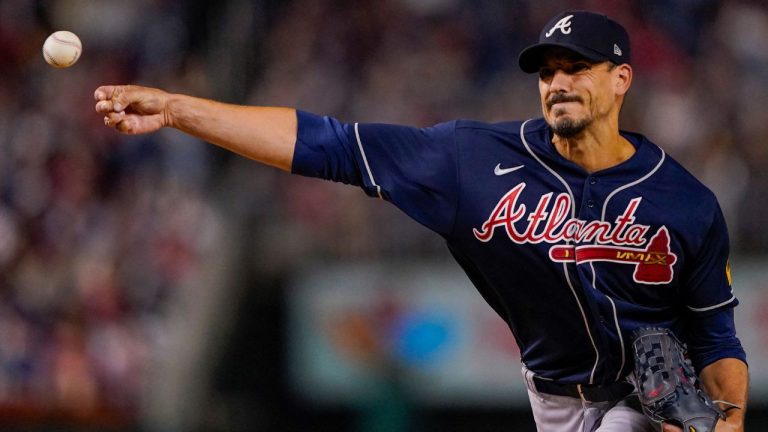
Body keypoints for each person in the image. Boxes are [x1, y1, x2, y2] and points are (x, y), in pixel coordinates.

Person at [94, 10, 748, 432]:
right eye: (547, 70)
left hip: (646, 395)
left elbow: (717, 338)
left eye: (577, 67)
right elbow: (326, 142)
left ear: (621, 80)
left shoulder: (681, 200)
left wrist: (729, 422)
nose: (558, 81)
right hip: (554, 399)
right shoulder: (471, 159)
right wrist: (180, 110)